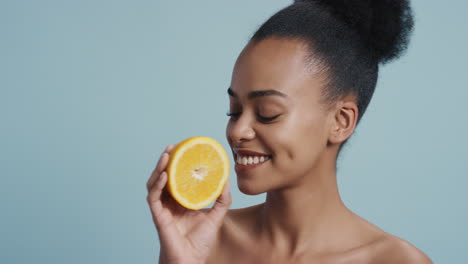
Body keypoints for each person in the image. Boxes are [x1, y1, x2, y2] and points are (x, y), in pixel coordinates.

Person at [146, 0, 432, 263]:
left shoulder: (395, 260)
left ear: (341, 121)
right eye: (234, 111)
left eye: (267, 113)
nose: (238, 131)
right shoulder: (205, 240)